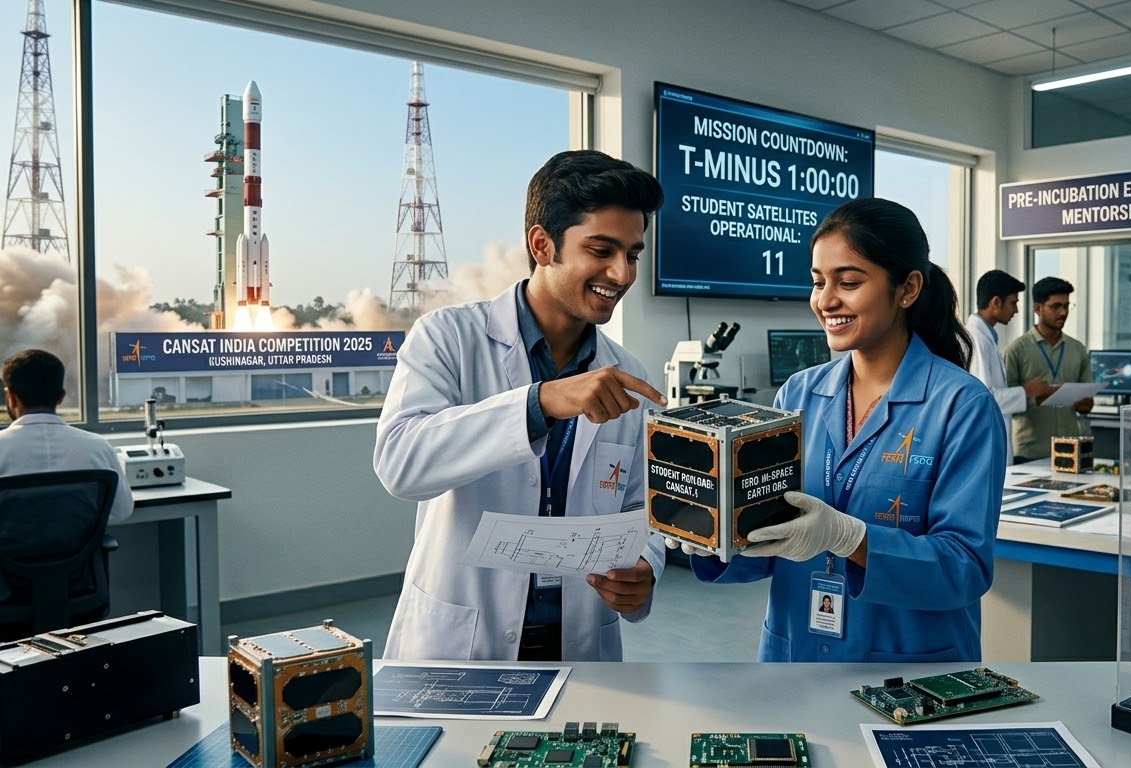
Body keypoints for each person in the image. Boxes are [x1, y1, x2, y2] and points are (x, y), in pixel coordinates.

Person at [670, 198, 1005, 663]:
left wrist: (852, 538)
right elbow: (770, 542)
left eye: (848, 282)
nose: (826, 300)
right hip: (796, 654)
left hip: (908, 669)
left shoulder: (961, 406)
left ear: (907, 288)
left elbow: (964, 568)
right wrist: (713, 535)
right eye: (818, 282)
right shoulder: (797, 395)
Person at [373, 150, 668, 662]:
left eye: (634, 254)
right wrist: (539, 403)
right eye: (601, 250)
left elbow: (643, 508)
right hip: (464, 639)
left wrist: (644, 566)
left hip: (577, 639)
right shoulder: (448, 338)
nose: (622, 274)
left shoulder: (629, 373)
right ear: (542, 245)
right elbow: (401, 465)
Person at [0, 349, 134, 524]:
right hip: (78, 552)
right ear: (61, 397)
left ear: (10, 397)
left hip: (11, 551)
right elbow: (121, 511)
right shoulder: (98, 447)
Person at [965, 270, 1056, 465]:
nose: (1016, 311)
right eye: (1013, 303)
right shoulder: (977, 339)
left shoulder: (986, 338)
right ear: (996, 302)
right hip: (984, 446)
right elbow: (983, 399)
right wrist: (1026, 391)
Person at [1003, 277, 1093, 462]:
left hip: (1070, 450)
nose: (1063, 312)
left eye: (1067, 306)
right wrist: (1034, 395)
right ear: (1037, 308)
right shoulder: (1016, 350)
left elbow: (1087, 405)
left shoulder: (1078, 349)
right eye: (1056, 306)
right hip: (1029, 451)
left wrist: (1083, 403)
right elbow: (1005, 405)